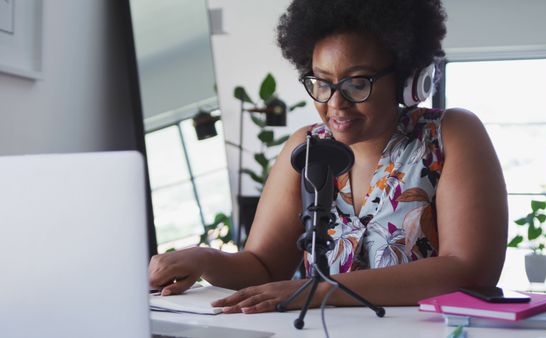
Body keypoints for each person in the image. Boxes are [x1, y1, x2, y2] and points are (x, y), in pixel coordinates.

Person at [148, 0, 507, 314]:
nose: (335, 103)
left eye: (356, 83)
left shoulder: (450, 134)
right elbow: (264, 265)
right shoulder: (305, 147)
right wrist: (204, 258)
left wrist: (320, 291)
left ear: (406, 78)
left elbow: (469, 270)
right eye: (321, 83)